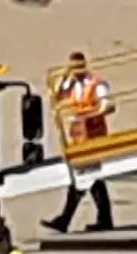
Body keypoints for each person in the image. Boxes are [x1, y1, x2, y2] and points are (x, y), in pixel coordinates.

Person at [46, 52, 114, 234]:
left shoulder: (96, 84)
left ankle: (65, 219)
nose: (76, 71)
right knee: (92, 178)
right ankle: (104, 218)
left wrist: (91, 114)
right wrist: (64, 77)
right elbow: (57, 96)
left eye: (78, 67)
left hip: (93, 134)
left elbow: (108, 106)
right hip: (79, 135)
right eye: (72, 67)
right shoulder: (72, 84)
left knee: (84, 177)